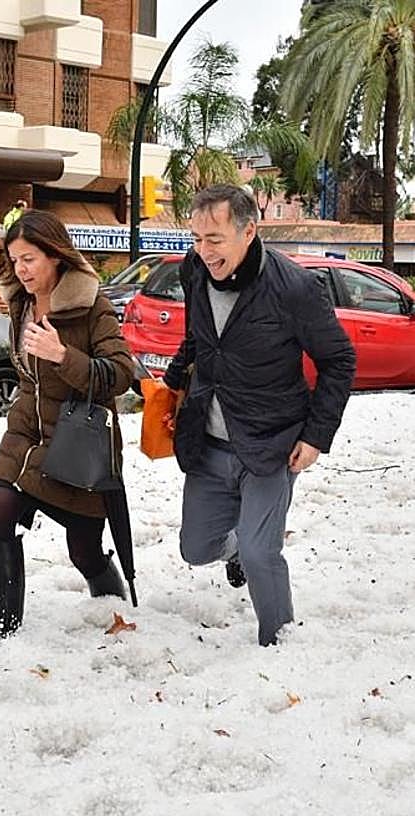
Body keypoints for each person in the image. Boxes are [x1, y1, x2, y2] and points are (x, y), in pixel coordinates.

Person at [163, 184, 356, 646]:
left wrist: (316, 436)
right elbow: (199, 337)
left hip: (272, 444)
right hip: (208, 441)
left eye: (215, 239)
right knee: (196, 548)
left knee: (261, 550)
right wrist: (172, 383)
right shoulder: (194, 270)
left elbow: (338, 361)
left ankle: (279, 640)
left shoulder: (294, 287)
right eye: (196, 238)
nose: (204, 252)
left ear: (249, 230)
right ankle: (236, 553)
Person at [0, 209, 135, 649]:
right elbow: (28, 380)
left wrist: (63, 356)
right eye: (15, 260)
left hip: (79, 444)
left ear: (56, 256)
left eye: (30, 259)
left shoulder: (91, 305)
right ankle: (4, 629)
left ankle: (118, 615)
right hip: (25, 434)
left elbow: (119, 373)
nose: (21, 270)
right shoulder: (20, 304)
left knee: (84, 550)